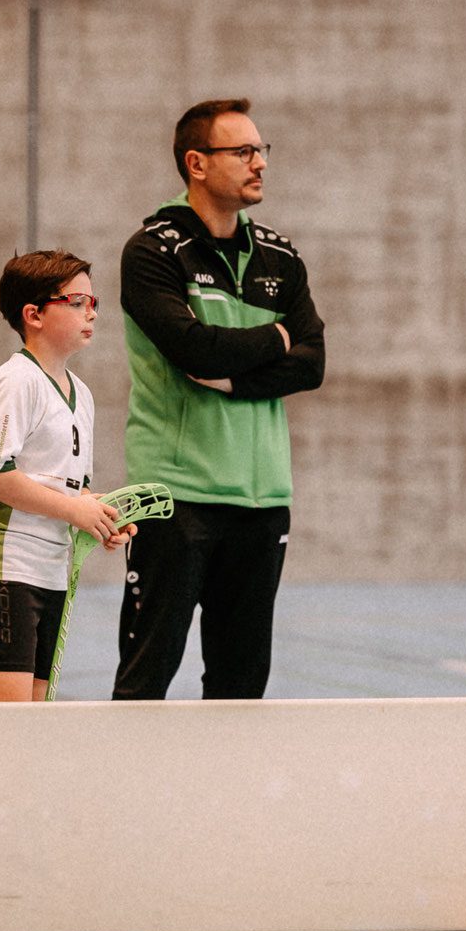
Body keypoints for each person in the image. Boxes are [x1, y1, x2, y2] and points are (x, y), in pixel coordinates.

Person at [114, 97, 326, 700]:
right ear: (197, 163)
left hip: (263, 500)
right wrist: (276, 338)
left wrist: (235, 377)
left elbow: (312, 363)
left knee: (241, 687)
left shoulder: (280, 256)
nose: (260, 162)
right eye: (244, 151)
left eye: (262, 150)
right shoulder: (153, 251)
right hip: (174, 497)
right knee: (147, 677)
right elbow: (195, 351)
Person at [0, 252, 133, 702]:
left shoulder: (82, 395)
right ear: (33, 314)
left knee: (36, 723)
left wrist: (98, 515)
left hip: (52, 569)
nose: (92, 312)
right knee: (10, 727)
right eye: (77, 302)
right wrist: (74, 509)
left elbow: (68, 488)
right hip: (4, 563)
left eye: (94, 302)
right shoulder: (17, 380)